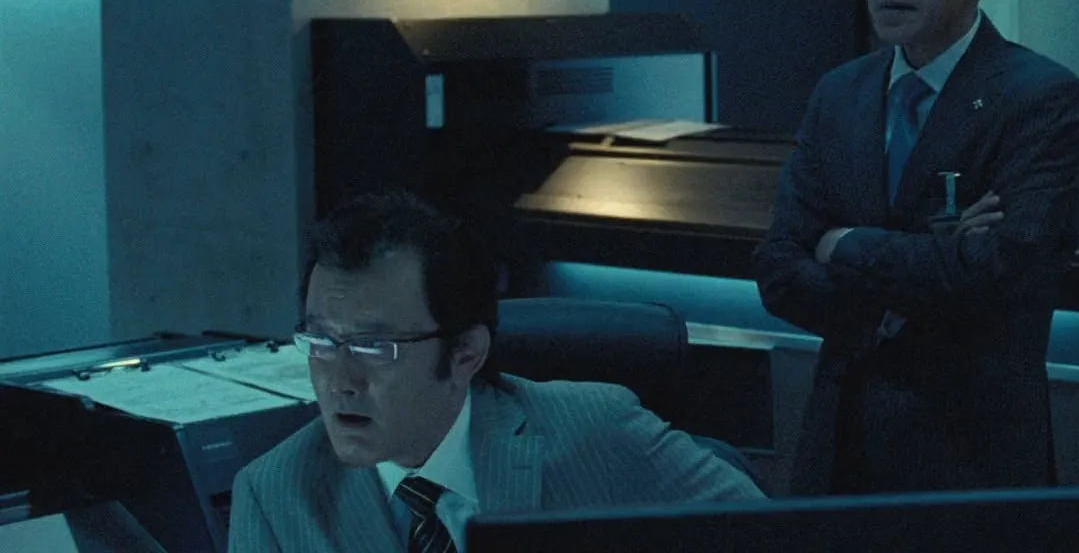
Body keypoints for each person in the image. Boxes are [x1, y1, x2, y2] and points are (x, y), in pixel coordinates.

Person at [753, 0, 1079, 495]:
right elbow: (778, 267)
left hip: (968, 456)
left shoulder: (1039, 96)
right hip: (841, 447)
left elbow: (1004, 272)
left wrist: (845, 244)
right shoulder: (841, 93)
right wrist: (913, 282)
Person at [229, 191, 762, 553]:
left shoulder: (599, 432)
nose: (340, 380)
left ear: (466, 353)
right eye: (322, 341)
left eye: (373, 346)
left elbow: (773, 537)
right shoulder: (275, 495)